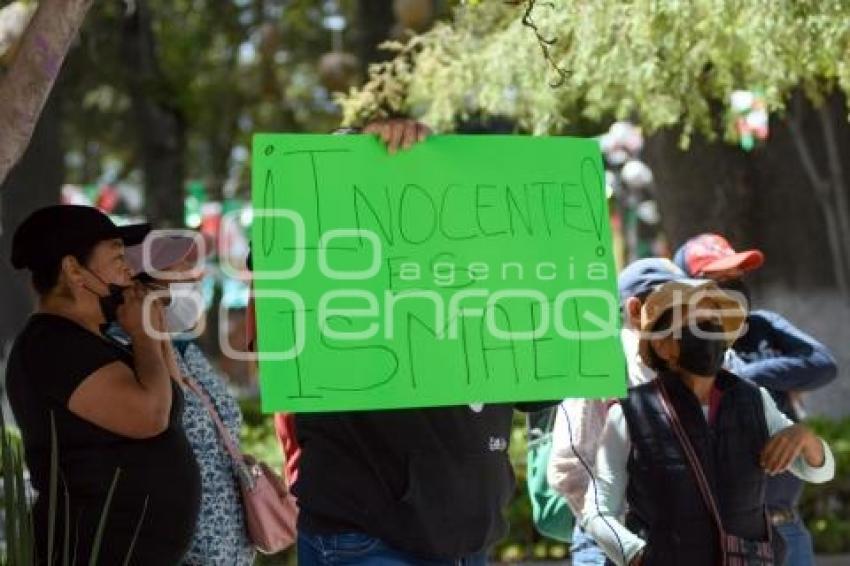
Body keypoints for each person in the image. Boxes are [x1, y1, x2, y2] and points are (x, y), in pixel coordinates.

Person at [261, 118, 554, 565]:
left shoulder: (482, 277)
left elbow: (539, 389)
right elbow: (285, 246)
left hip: (467, 533)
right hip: (371, 535)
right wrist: (364, 154)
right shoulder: (334, 268)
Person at [581, 279, 835, 566]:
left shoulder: (755, 400)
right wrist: (636, 555)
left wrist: (804, 437)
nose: (710, 330)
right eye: (697, 323)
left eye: (713, 321)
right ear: (664, 346)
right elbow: (597, 511)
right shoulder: (629, 413)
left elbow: (818, 471)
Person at [6, 205, 201, 564]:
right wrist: (142, 332)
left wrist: (152, 323)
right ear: (74, 269)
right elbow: (151, 415)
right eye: (115, 256)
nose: (128, 268)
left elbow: (172, 402)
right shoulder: (52, 344)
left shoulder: (95, 339)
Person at [675, 233, 838, 565]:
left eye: (737, 276)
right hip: (722, 531)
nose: (733, 285)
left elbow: (822, 364)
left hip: (785, 524)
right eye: (719, 279)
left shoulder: (763, 325)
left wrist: (751, 376)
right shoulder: (678, 348)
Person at [119, 232, 255, 565]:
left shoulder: (187, 350)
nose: (197, 279)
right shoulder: (123, 353)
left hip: (229, 548)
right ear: (138, 285)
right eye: (180, 272)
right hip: (179, 550)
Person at [547, 258, 686, 565]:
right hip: (607, 548)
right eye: (675, 303)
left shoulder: (682, 364)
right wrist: (620, 538)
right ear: (636, 309)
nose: (687, 314)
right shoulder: (602, 364)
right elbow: (567, 467)